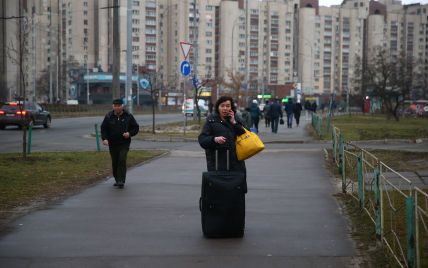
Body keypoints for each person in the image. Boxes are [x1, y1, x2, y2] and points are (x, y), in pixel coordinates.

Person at [198, 96, 247, 181]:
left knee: (236, 191)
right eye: (222, 106)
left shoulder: (236, 119)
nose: (225, 108)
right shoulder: (211, 120)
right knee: (219, 191)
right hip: (217, 164)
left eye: (228, 106)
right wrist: (214, 139)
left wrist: (234, 123)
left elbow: (245, 135)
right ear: (218, 107)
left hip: (236, 164)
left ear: (231, 107)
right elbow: (202, 139)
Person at [101, 98, 139, 189]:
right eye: (115, 106)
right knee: (115, 162)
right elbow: (104, 128)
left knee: (122, 159)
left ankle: (121, 180)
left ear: (122, 106)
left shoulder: (128, 116)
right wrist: (104, 139)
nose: (117, 108)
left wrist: (129, 134)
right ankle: (117, 179)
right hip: (112, 143)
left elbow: (135, 128)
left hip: (124, 143)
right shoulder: (109, 116)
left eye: (118, 106)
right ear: (113, 107)